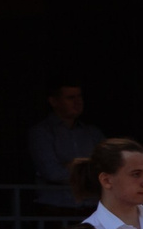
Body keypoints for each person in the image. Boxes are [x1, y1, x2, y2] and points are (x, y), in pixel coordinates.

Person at [30, 80, 103, 213]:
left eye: (79, 97)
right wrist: (87, 171)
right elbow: (52, 173)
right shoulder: (42, 132)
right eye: (70, 98)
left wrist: (72, 166)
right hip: (56, 208)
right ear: (54, 101)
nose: (78, 102)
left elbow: (106, 167)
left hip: (91, 208)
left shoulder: (92, 133)